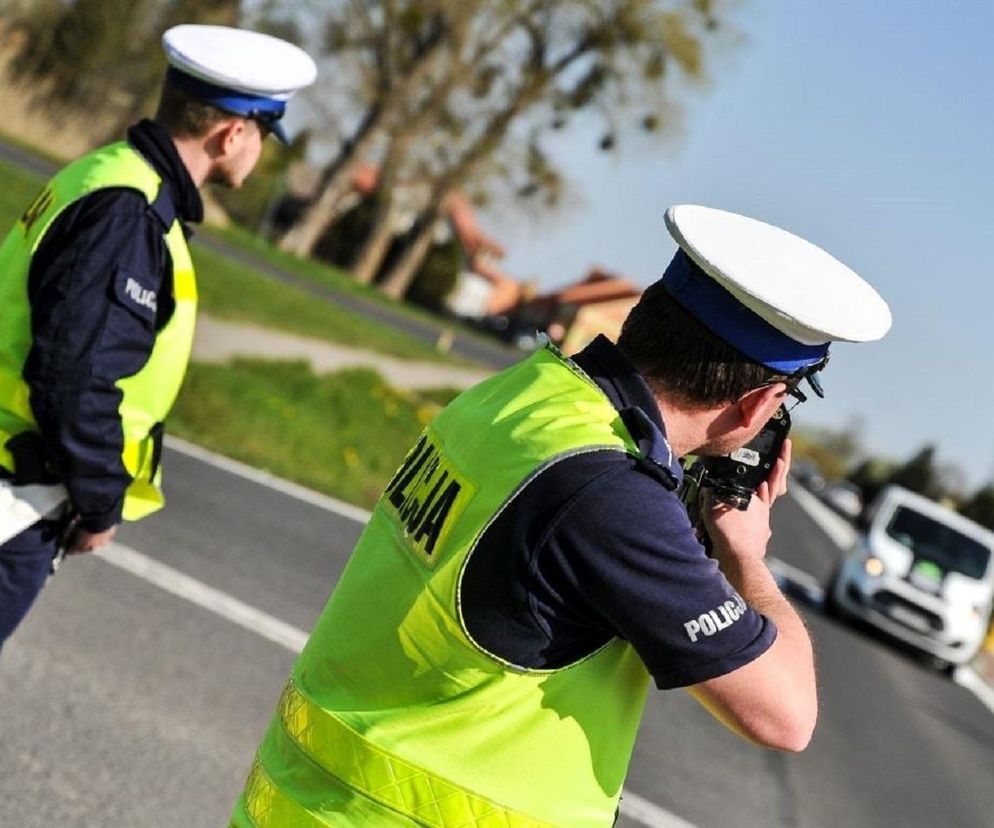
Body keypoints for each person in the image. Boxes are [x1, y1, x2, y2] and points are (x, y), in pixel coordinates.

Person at [231, 205, 892, 827]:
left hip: (304, 799)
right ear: (756, 405)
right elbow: (787, 716)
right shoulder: (614, 498)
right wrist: (747, 556)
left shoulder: (525, 396)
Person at [0, 24, 316, 648]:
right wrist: (99, 502)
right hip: (18, 489)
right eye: (264, 138)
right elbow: (76, 376)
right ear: (233, 134)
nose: (260, 155)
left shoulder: (110, 174)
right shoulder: (131, 214)